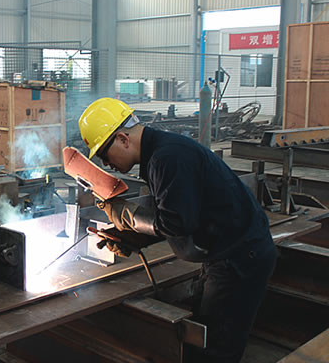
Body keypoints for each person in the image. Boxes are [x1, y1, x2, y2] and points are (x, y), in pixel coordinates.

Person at [79, 97, 277, 363]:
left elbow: (176, 223)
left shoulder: (167, 157)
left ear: (123, 139)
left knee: (216, 348)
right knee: (205, 330)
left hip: (240, 258)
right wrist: (135, 237)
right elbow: (182, 212)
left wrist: (126, 215)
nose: (106, 164)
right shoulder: (162, 151)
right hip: (227, 251)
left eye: (104, 155)